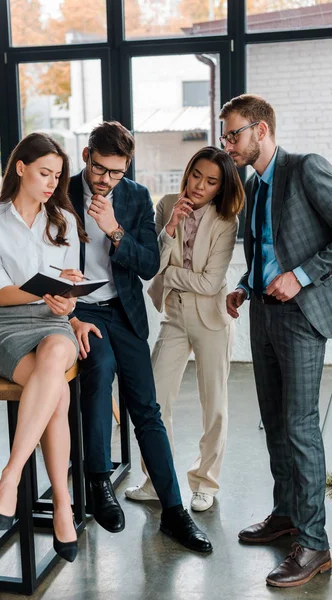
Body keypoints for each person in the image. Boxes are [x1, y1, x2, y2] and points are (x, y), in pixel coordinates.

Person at [68, 120, 212, 553]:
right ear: (86, 157)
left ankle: (173, 510)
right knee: (98, 373)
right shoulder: (62, 193)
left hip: (123, 312)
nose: (107, 179)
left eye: (116, 171)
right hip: (77, 311)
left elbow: (149, 264)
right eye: (100, 170)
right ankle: (98, 481)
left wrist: (115, 230)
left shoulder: (134, 196)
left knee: (147, 409)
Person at [221, 94, 332, 588]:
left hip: (301, 316)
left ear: (260, 130)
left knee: (301, 425)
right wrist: (245, 286)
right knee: (274, 422)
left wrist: (302, 276)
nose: (227, 145)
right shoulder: (252, 183)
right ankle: (286, 514)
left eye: (233, 134)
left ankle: (314, 543)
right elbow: (264, 251)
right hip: (263, 316)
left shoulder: (305, 168)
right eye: (225, 136)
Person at [0, 132, 88, 563]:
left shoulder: (63, 221)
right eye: (44, 173)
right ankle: (62, 504)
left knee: (57, 357)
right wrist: (44, 296)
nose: (51, 184)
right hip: (7, 327)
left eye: (57, 177)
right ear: (20, 167)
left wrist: (68, 300)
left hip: (53, 326)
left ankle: (11, 475)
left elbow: (71, 287)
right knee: (57, 391)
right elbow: (0, 292)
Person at [124, 146, 244, 512]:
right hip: (174, 315)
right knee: (153, 401)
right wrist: (171, 227)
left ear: (220, 188)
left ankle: (205, 481)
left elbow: (210, 284)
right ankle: (156, 480)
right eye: (197, 175)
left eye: (211, 182)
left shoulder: (227, 220)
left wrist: (171, 275)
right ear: (188, 171)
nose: (199, 186)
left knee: (215, 406)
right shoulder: (166, 205)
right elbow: (151, 264)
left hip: (211, 318)